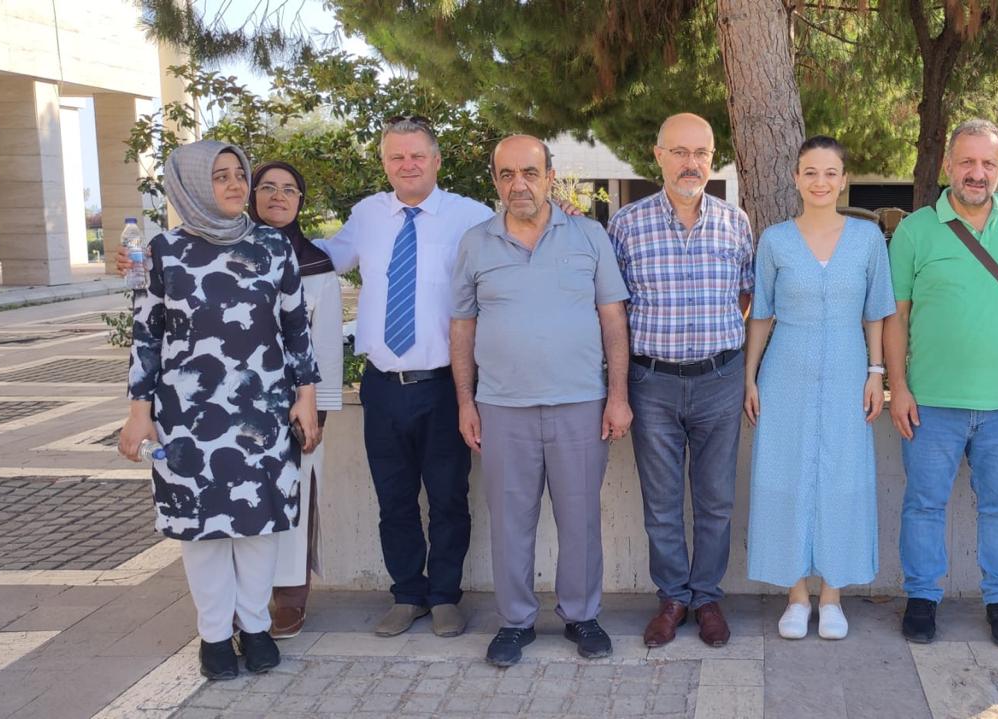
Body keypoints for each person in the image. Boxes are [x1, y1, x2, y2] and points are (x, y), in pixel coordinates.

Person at [119, 140, 321, 680]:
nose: (235, 185)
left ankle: (254, 627)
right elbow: (146, 336)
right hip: (187, 415)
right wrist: (139, 411)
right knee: (201, 526)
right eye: (219, 176)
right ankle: (213, 635)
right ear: (190, 186)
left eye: (239, 174)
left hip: (263, 407)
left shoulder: (272, 246)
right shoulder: (162, 251)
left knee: (258, 522)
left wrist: (306, 396)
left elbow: (295, 326)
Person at [449, 136, 632, 667]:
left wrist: (617, 395)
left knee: (581, 519)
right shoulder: (475, 243)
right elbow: (461, 327)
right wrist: (466, 402)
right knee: (510, 521)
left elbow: (613, 319)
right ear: (495, 181)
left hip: (581, 404)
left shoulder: (589, 235)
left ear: (550, 176)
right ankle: (515, 622)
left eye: (529, 173)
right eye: (506, 174)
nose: (519, 185)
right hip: (502, 408)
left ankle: (582, 616)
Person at [885, 119, 998, 647]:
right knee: (923, 504)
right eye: (966, 161)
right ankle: (922, 599)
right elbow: (895, 316)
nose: (977, 173)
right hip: (930, 401)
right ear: (948, 165)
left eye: (987, 163)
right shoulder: (916, 230)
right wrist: (899, 386)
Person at [321, 117, 492, 638]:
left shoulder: (471, 216)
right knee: (393, 498)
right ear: (384, 163)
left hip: (444, 386)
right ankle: (407, 594)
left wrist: (567, 216)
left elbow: (519, 246)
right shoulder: (367, 215)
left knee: (448, 498)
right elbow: (324, 259)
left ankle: (444, 597)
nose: (407, 165)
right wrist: (263, 238)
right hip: (381, 385)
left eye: (417, 155)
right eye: (396, 157)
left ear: (436, 160)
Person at [609, 113, 753, 648]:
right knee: (662, 504)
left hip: (719, 380)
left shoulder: (735, 222)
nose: (691, 163)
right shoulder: (626, 224)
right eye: (680, 152)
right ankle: (672, 598)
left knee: (716, 501)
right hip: (652, 384)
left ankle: (707, 597)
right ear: (659, 156)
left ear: (712, 159)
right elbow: (613, 309)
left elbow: (745, 296)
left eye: (701, 153)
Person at [743, 136, 894, 640]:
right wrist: (750, 376)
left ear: (844, 179)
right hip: (784, 374)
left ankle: (832, 596)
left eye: (831, 172)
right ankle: (795, 596)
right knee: (784, 476)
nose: (820, 182)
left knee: (842, 479)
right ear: (796, 178)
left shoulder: (868, 239)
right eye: (810, 172)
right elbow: (761, 313)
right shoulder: (775, 241)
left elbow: (876, 312)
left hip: (849, 373)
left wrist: (876, 372)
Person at [243, 161, 344, 639]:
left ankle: (289, 597)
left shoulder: (316, 265)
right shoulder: (229, 254)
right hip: (238, 405)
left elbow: (326, 346)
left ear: (301, 201)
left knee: (295, 496)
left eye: (289, 189)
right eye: (267, 187)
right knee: (243, 498)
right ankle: (245, 597)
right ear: (252, 196)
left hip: (296, 405)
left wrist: (316, 412)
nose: (278, 196)